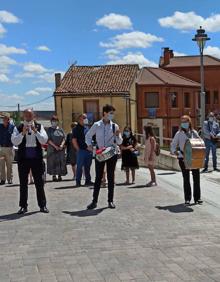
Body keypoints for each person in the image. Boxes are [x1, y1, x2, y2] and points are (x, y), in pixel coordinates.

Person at [11, 109, 49, 214]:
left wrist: (36, 132)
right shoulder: (18, 127)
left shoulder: (39, 126)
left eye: (30, 115)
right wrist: (22, 133)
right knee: (23, 183)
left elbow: (44, 140)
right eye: (26, 115)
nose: (28, 117)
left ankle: (42, 205)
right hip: (23, 158)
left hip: (36, 158)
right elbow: (14, 141)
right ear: (23, 116)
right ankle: (23, 206)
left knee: (39, 183)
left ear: (34, 116)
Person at [86, 104, 122, 209]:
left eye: (113, 113)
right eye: (110, 113)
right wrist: (89, 145)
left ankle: (110, 201)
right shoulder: (97, 125)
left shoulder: (115, 126)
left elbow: (119, 141)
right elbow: (88, 135)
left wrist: (117, 134)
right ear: (104, 113)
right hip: (100, 152)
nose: (112, 115)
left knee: (111, 177)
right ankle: (94, 201)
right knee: (98, 177)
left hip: (111, 153)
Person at [170, 115, 203, 205]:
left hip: (194, 158)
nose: (184, 123)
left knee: (196, 178)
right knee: (186, 179)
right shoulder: (178, 133)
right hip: (183, 158)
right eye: (182, 121)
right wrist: (175, 152)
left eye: (186, 121)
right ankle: (187, 198)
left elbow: (200, 142)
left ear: (189, 122)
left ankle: (197, 198)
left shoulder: (194, 132)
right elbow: (173, 145)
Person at [72, 114, 93, 187]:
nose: (85, 119)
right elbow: (74, 140)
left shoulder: (87, 128)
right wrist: (78, 149)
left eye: (86, 118)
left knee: (88, 167)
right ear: (79, 119)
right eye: (83, 118)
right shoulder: (75, 129)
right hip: (81, 151)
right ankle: (78, 182)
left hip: (89, 151)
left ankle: (88, 180)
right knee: (79, 167)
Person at [47, 115, 67, 181]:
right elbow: (48, 139)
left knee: (60, 161)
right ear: (51, 122)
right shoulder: (49, 130)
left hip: (60, 149)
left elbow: (64, 138)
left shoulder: (61, 129)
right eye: (53, 121)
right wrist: (55, 146)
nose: (54, 122)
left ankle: (60, 175)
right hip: (52, 149)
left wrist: (61, 145)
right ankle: (54, 176)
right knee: (53, 162)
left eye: (55, 121)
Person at [0, 113, 14, 185]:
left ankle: (10, 179)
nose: (3, 120)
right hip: (1, 149)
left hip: (9, 149)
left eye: (5, 118)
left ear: (8, 119)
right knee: (1, 165)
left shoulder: (12, 127)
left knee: (9, 165)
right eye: (3, 118)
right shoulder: (0, 127)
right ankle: (2, 179)